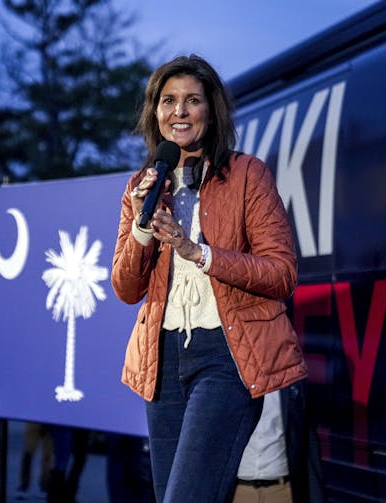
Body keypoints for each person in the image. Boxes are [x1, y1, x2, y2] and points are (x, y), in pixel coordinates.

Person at [111, 54, 308, 503]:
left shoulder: (246, 174)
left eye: (191, 100)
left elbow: (282, 272)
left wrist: (197, 252)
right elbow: (125, 289)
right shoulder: (141, 185)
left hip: (226, 356)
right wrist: (144, 225)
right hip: (160, 359)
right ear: (155, 112)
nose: (178, 111)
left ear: (210, 110)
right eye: (168, 101)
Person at [234, 380, 326, 503]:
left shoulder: (293, 382)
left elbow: (308, 444)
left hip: (281, 492)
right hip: (237, 493)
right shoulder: (224, 380)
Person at [15, 422, 53, 499]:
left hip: (52, 423)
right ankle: (24, 486)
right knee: (28, 454)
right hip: (35, 422)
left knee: (48, 456)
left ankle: (45, 486)